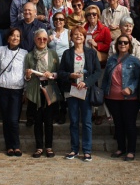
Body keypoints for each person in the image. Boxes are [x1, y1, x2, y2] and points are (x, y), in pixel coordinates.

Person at [58, 26, 101, 162]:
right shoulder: (67, 54)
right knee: (74, 121)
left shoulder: (91, 53)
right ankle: (74, 149)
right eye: (75, 34)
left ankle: (87, 151)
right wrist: (70, 75)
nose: (78, 37)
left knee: (87, 122)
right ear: (71, 37)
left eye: (81, 35)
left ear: (84, 37)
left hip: (86, 91)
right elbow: (61, 73)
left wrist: (87, 82)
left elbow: (97, 72)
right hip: (72, 91)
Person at [102, 34, 140, 161]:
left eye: (125, 42)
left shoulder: (134, 61)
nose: (122, 45)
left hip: (129, 99)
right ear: (116, 45)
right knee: (118, 124)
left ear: (129, 45)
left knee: (129, 123)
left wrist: (131, 88)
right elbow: (106, 78)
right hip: (112, 97)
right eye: (120, 42)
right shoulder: (111, 60)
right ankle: (121, 148)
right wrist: (103, 93)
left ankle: (131, 150)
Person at [24, 29, 60, 158]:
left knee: (49, 120)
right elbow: (26, 77)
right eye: (39, 38)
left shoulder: (53, 54)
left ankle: (49, 147)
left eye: (44, 39)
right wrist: (28, 75)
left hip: (49, 88)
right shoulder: (29, 55)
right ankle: (39, 147)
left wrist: (52, 75)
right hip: (35, 89)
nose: (42, 41)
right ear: (35, 40)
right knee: (38, 120)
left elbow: (59, 73)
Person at [0, 27, 28, 157]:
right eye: (13, 36)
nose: (15, 38)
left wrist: (25, 90)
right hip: (2, 88)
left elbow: (25, 72)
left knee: (14, 119)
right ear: (8, 38)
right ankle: (9, 146)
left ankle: (16, 145)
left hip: (17, 90)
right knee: (6, 119)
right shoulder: (1, 50)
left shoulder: (24, 53)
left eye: (18, 36)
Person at [47, 11, 70, 125]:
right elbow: (41, 46)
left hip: (64, 65)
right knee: (53, 89)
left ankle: (63, 112)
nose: (58, 21)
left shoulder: (68, 33)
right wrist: (48, 40)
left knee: (62, 88)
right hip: (51, 65)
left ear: (64, 21)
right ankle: (54, 112)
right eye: (56, 19)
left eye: (61, 19)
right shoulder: (49, 33)